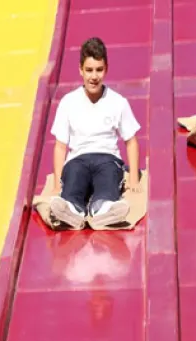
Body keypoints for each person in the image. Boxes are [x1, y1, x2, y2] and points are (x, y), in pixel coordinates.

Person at [49, 37, 142, 230]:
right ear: (80, 70)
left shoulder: (117, 101)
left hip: (107, 158)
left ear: (106, 69)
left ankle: (103, 209)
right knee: (74, 177)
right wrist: (58, 182)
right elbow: (60, 145)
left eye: (99, 70)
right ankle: (72, 210)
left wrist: (133, 177)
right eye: (89, 70)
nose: (94, 76)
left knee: (107, 180)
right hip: (78, 158)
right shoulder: (68, 102)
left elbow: (131, 141)